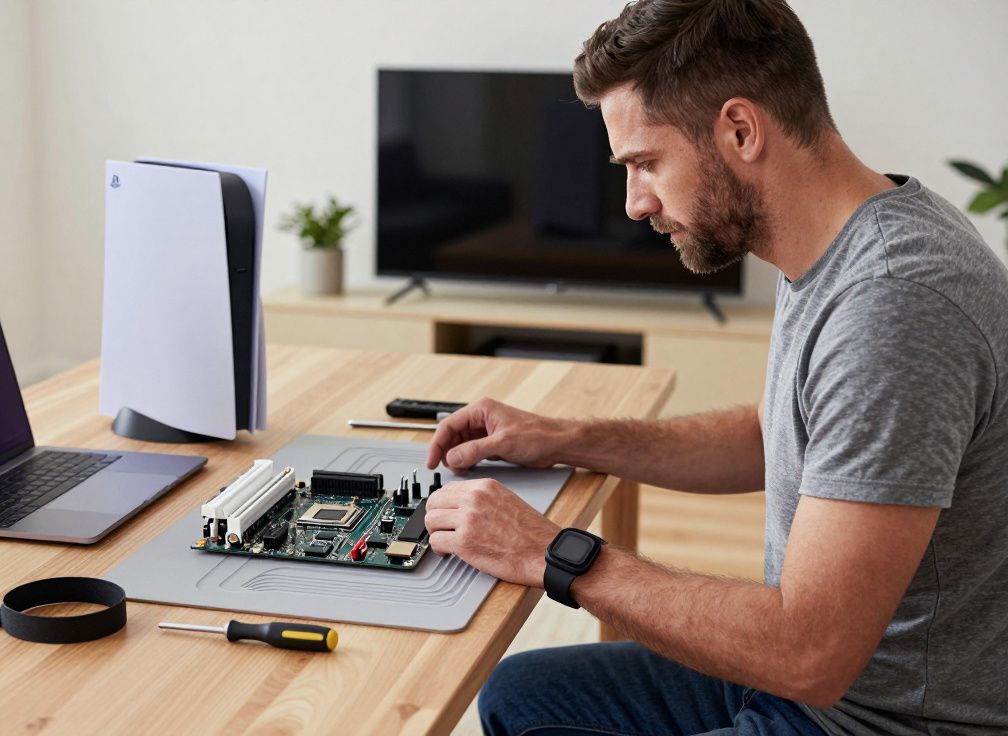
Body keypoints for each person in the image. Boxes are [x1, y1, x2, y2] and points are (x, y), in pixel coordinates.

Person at [422, 1, 1008, 734]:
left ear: (740, 130)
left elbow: (809, 653)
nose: (635, 204)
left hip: (869, 718)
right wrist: (568, 438)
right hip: (815, 688)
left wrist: (550, 552)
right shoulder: (842, 242)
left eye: (646, 163)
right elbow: (773, 434)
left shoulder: (892, 304)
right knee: (520, 696)